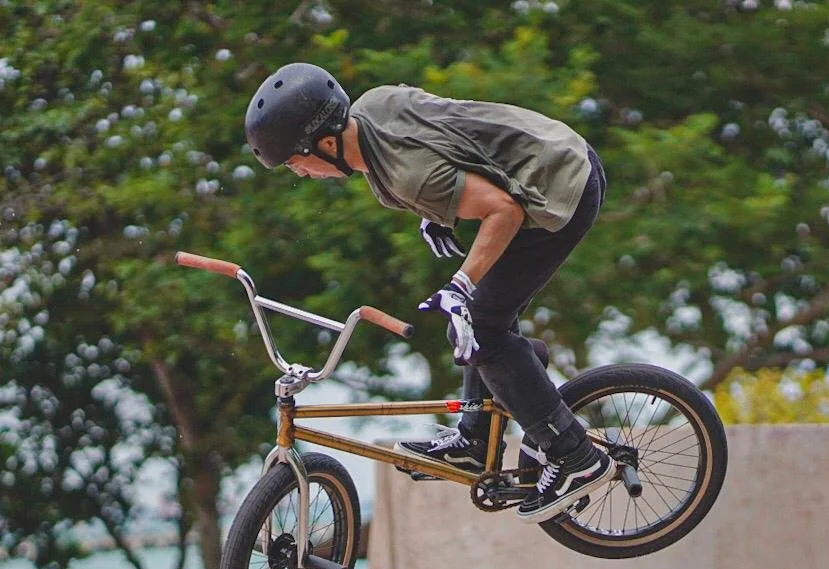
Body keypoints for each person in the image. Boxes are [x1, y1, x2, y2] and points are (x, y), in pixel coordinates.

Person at [243, 62, 613, 523]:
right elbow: (443, 134)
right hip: (547, 153)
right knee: (482, 323)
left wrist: (461, 285)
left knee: (479, 324)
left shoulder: (405, 175)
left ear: (325, 143)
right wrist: (436, 210)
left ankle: (575, 456)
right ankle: (478, 438)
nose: (299, 174)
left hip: (560, 186)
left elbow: (503, 211)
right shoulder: (371, 107)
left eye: (296, 162)